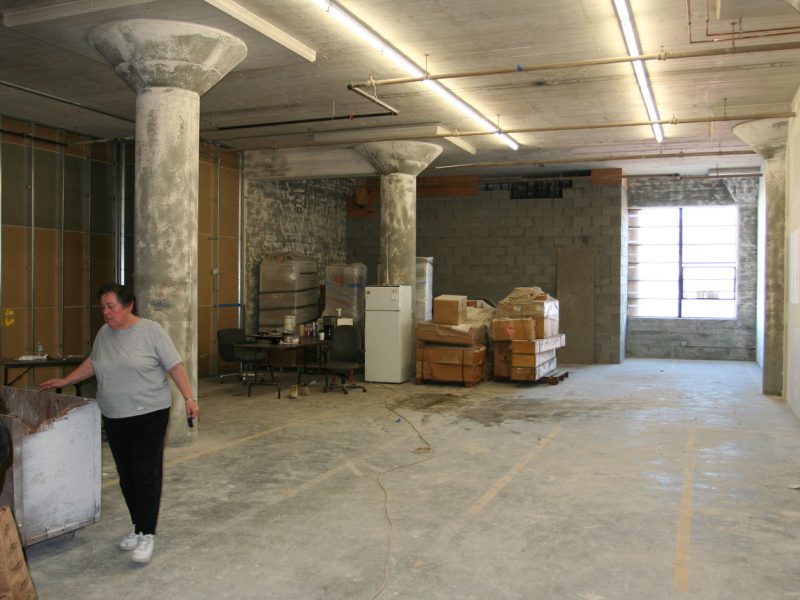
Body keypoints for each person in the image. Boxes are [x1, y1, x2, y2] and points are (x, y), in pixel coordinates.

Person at [40, 283, 199, 564]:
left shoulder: (151, 332)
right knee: (127, 475)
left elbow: (175, 365)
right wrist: (66, 380)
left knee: (145, 473)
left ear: (129, 306)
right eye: (103, 307)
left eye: (111, 306)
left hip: (149, 413)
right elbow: (94, 362)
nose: (106, 312)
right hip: (114, 415)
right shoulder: (104, 333)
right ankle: (138, 526)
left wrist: (189, 397)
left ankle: (147, 533)